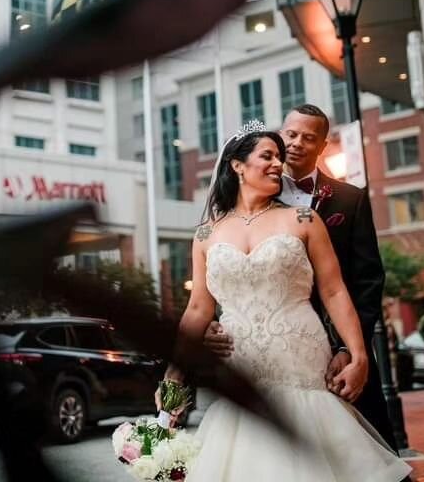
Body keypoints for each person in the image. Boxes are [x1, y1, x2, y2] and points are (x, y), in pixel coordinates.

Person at [160, 121, 410, 481]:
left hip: (300, 362)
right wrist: (173, 373)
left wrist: (358, 355)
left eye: (279, 156)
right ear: (237, 165)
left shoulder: (303, 219)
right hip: (241, 368)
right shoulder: (205, 234)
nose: (278, 163)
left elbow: (334, 291)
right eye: (267, 156)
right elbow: (198, 307)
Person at [203, 104, 397, 450]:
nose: (295, 144)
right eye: (290, 134)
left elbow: (365, 282)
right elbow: (228, 276)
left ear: (323, 146)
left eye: (308, 138)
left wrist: (348, 348)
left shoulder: (348, 200)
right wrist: (215, 324)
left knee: (358, 447)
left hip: (330, 343)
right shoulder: (244, 201)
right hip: (257, 351)